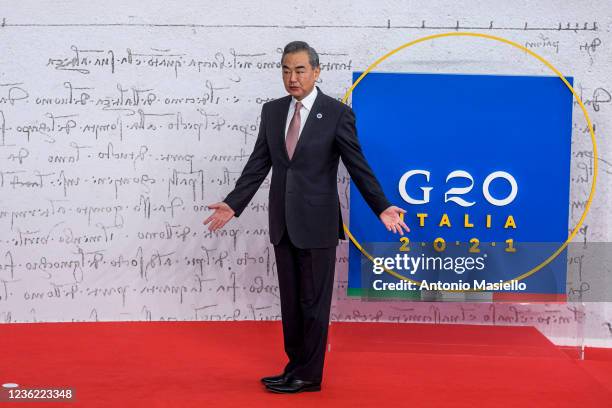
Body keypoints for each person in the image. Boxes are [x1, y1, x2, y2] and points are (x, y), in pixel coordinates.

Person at [204, 41, 409, 394]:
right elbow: (258, 164)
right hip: (282, 222)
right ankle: (294, 367)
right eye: (285, 70)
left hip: (317, 225)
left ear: (316, 71)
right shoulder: (272, 112)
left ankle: (310, 375)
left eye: (299, 70)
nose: (292, 78)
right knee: (292, 302)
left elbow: (357, 165)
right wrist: (233, 203)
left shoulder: (336, 114)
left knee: (314, 303)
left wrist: (381, 205)